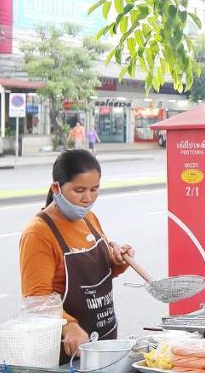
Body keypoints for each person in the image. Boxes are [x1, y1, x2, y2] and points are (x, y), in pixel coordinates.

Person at [19, 149, 131, 360]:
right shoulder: (38, 233)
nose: (88, 198)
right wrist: (68, 326)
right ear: (56, 188)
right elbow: (36, 299)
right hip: (65, 350)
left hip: (104, 339)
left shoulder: (90, 219)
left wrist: (118, 261)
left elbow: (97, 274)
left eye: (94, 189)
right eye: (79, 190)